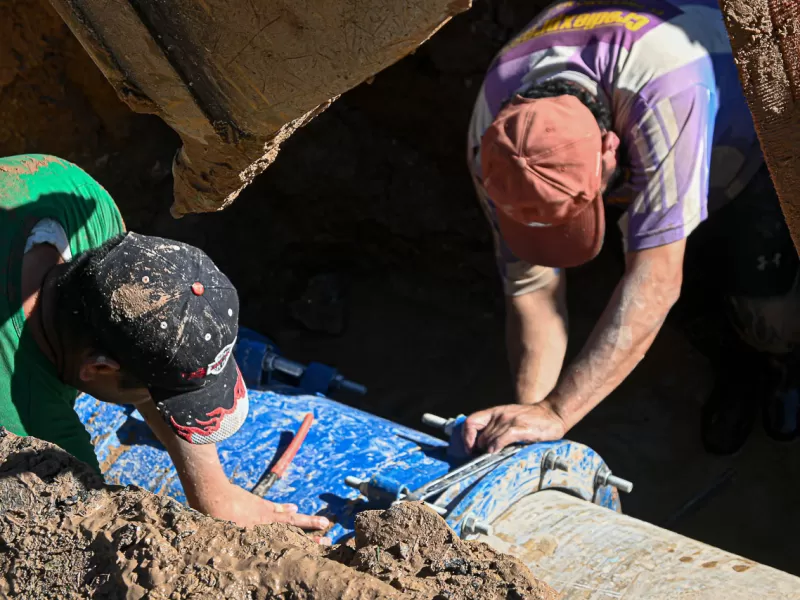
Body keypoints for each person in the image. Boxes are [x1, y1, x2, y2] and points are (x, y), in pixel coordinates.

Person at [462, 0, 800, 456]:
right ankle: (735, 370)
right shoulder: (497, 140)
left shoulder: (666, 92)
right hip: (648, 147)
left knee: (767, 312)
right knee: (688, 302)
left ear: (609, 149)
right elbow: (533, 292)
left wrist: (559, 412)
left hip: (742, 137)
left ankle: (781, 366)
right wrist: (528, 426)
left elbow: (656, 281)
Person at [0, 154, 329, 533]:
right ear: (99, 367)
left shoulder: (69, 197)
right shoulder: (31, 432)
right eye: (159, 394)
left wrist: (215, 493)